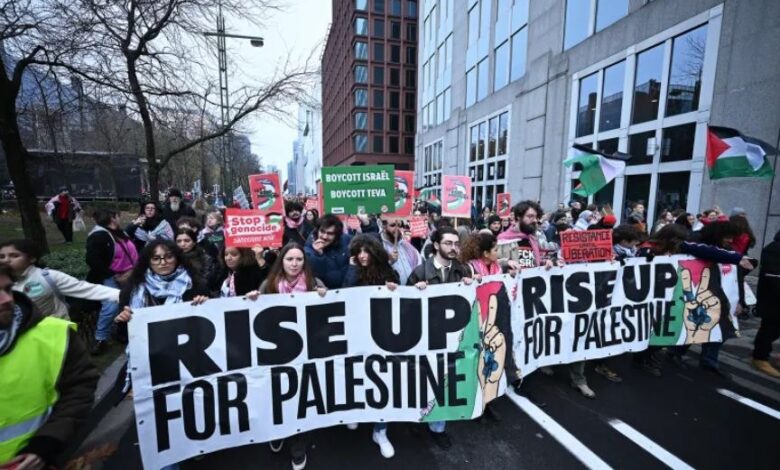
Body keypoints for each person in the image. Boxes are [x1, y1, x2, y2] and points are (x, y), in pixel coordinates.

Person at [0, 264, 99, 469]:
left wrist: (46, 444)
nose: (6, 299)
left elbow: (79, 389)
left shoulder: (54, 335)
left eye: (8, 289)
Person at [260, 243, 326, 470]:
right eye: (290, 259)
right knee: (277, 398)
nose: (295, 264)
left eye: (299, 259)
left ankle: (298, 446)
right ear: (282, 261)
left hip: (304, 354)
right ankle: (277, 433)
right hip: (275, 354)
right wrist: (252, 300)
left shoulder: (314, 285)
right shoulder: (268, 286)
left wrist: (324, 298)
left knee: (300, 401)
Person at [407, 226, 473, 450]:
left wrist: (472, 283)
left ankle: (438, 427)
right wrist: (414, 290)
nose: (454, 248)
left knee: (445, 381)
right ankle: (415, 418)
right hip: (425, 338)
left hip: (452, 338)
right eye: (448, 243)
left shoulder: (462, 270)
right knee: (422, 379)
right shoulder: (419, 272)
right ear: (436, 245)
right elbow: (404, 307)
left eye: (456, 243)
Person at [341, 234, 399, 458]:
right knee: (356, 376)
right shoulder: (353, 269)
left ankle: (380, 430)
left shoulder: (387, 272)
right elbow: (345, 294)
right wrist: (352, 269)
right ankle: (355, 412)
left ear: (375, 252)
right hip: (356, 334)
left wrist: (394, 288)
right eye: (359, 252)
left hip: (382, 335)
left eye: (367, 251)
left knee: (383, 381)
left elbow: (400, 299)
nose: (363, 256)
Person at [0, 239, 120, 321]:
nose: (6, 260)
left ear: (32, 258)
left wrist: (124, 295)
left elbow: (87, 289)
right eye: (2, 256)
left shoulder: (48, 277)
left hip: (55, 335)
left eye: (14, 256)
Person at [86, 209, 139, 355]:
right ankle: (100, 338)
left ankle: (124, 332)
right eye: (118, 216)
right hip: (113, 277)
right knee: (111, 306)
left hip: (131, 274)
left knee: (130, 303)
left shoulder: (119, 232)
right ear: (113, 218)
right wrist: (111, 274)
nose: (119, 218)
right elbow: (92, 260)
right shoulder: (99, 235)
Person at [752, 230, 780, 378]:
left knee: (774, 329)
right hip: (773, 299)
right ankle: (759, 358)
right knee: (769, 329)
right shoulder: (774, 248)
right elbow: (772, 275)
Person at [304, 215, 352, 289]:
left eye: (330, 234)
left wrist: (367, 225)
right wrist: (319, 255)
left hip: (349, 288)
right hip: (327, 292)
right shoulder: (309, 249)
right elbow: (315, 274)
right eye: (322, 232)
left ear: (337, 235)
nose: (325, 237)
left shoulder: (346, 240)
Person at [377, 218, 420, 285]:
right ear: (383, 226)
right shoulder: (378, 246)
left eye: (399, 225)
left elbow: (420, 266)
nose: (397, 229)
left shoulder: (407, 246)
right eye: (393, 225)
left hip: (413, 289)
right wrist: (389, 262)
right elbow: (375, 272)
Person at [176, 229, 219, 295]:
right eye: (179, 241)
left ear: (194, 242)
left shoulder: (205, 259)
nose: (182, 244)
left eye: (187, 241)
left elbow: (207, 282)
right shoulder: (171, 260)